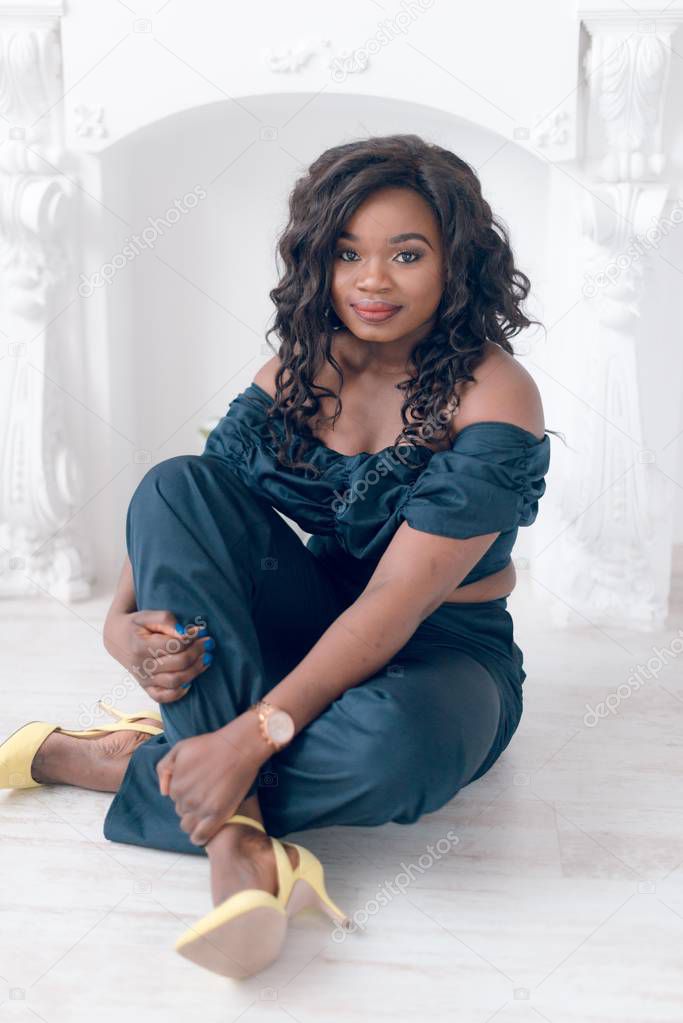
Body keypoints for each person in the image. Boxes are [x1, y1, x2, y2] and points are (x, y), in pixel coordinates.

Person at [0, 134, 558, 978]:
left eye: (406, 254)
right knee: (172, 480)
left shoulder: (494, 392)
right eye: (347, 254)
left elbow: (391, 609)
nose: (372, 280)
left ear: (456, 263)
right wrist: (119, 630)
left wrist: (252, 734)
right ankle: (241, 845)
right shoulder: (302, 369)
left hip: (440, 659)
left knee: (392, 754)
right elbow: (189, 510)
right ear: (317, 264)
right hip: (305, 630)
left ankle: (114, 760)